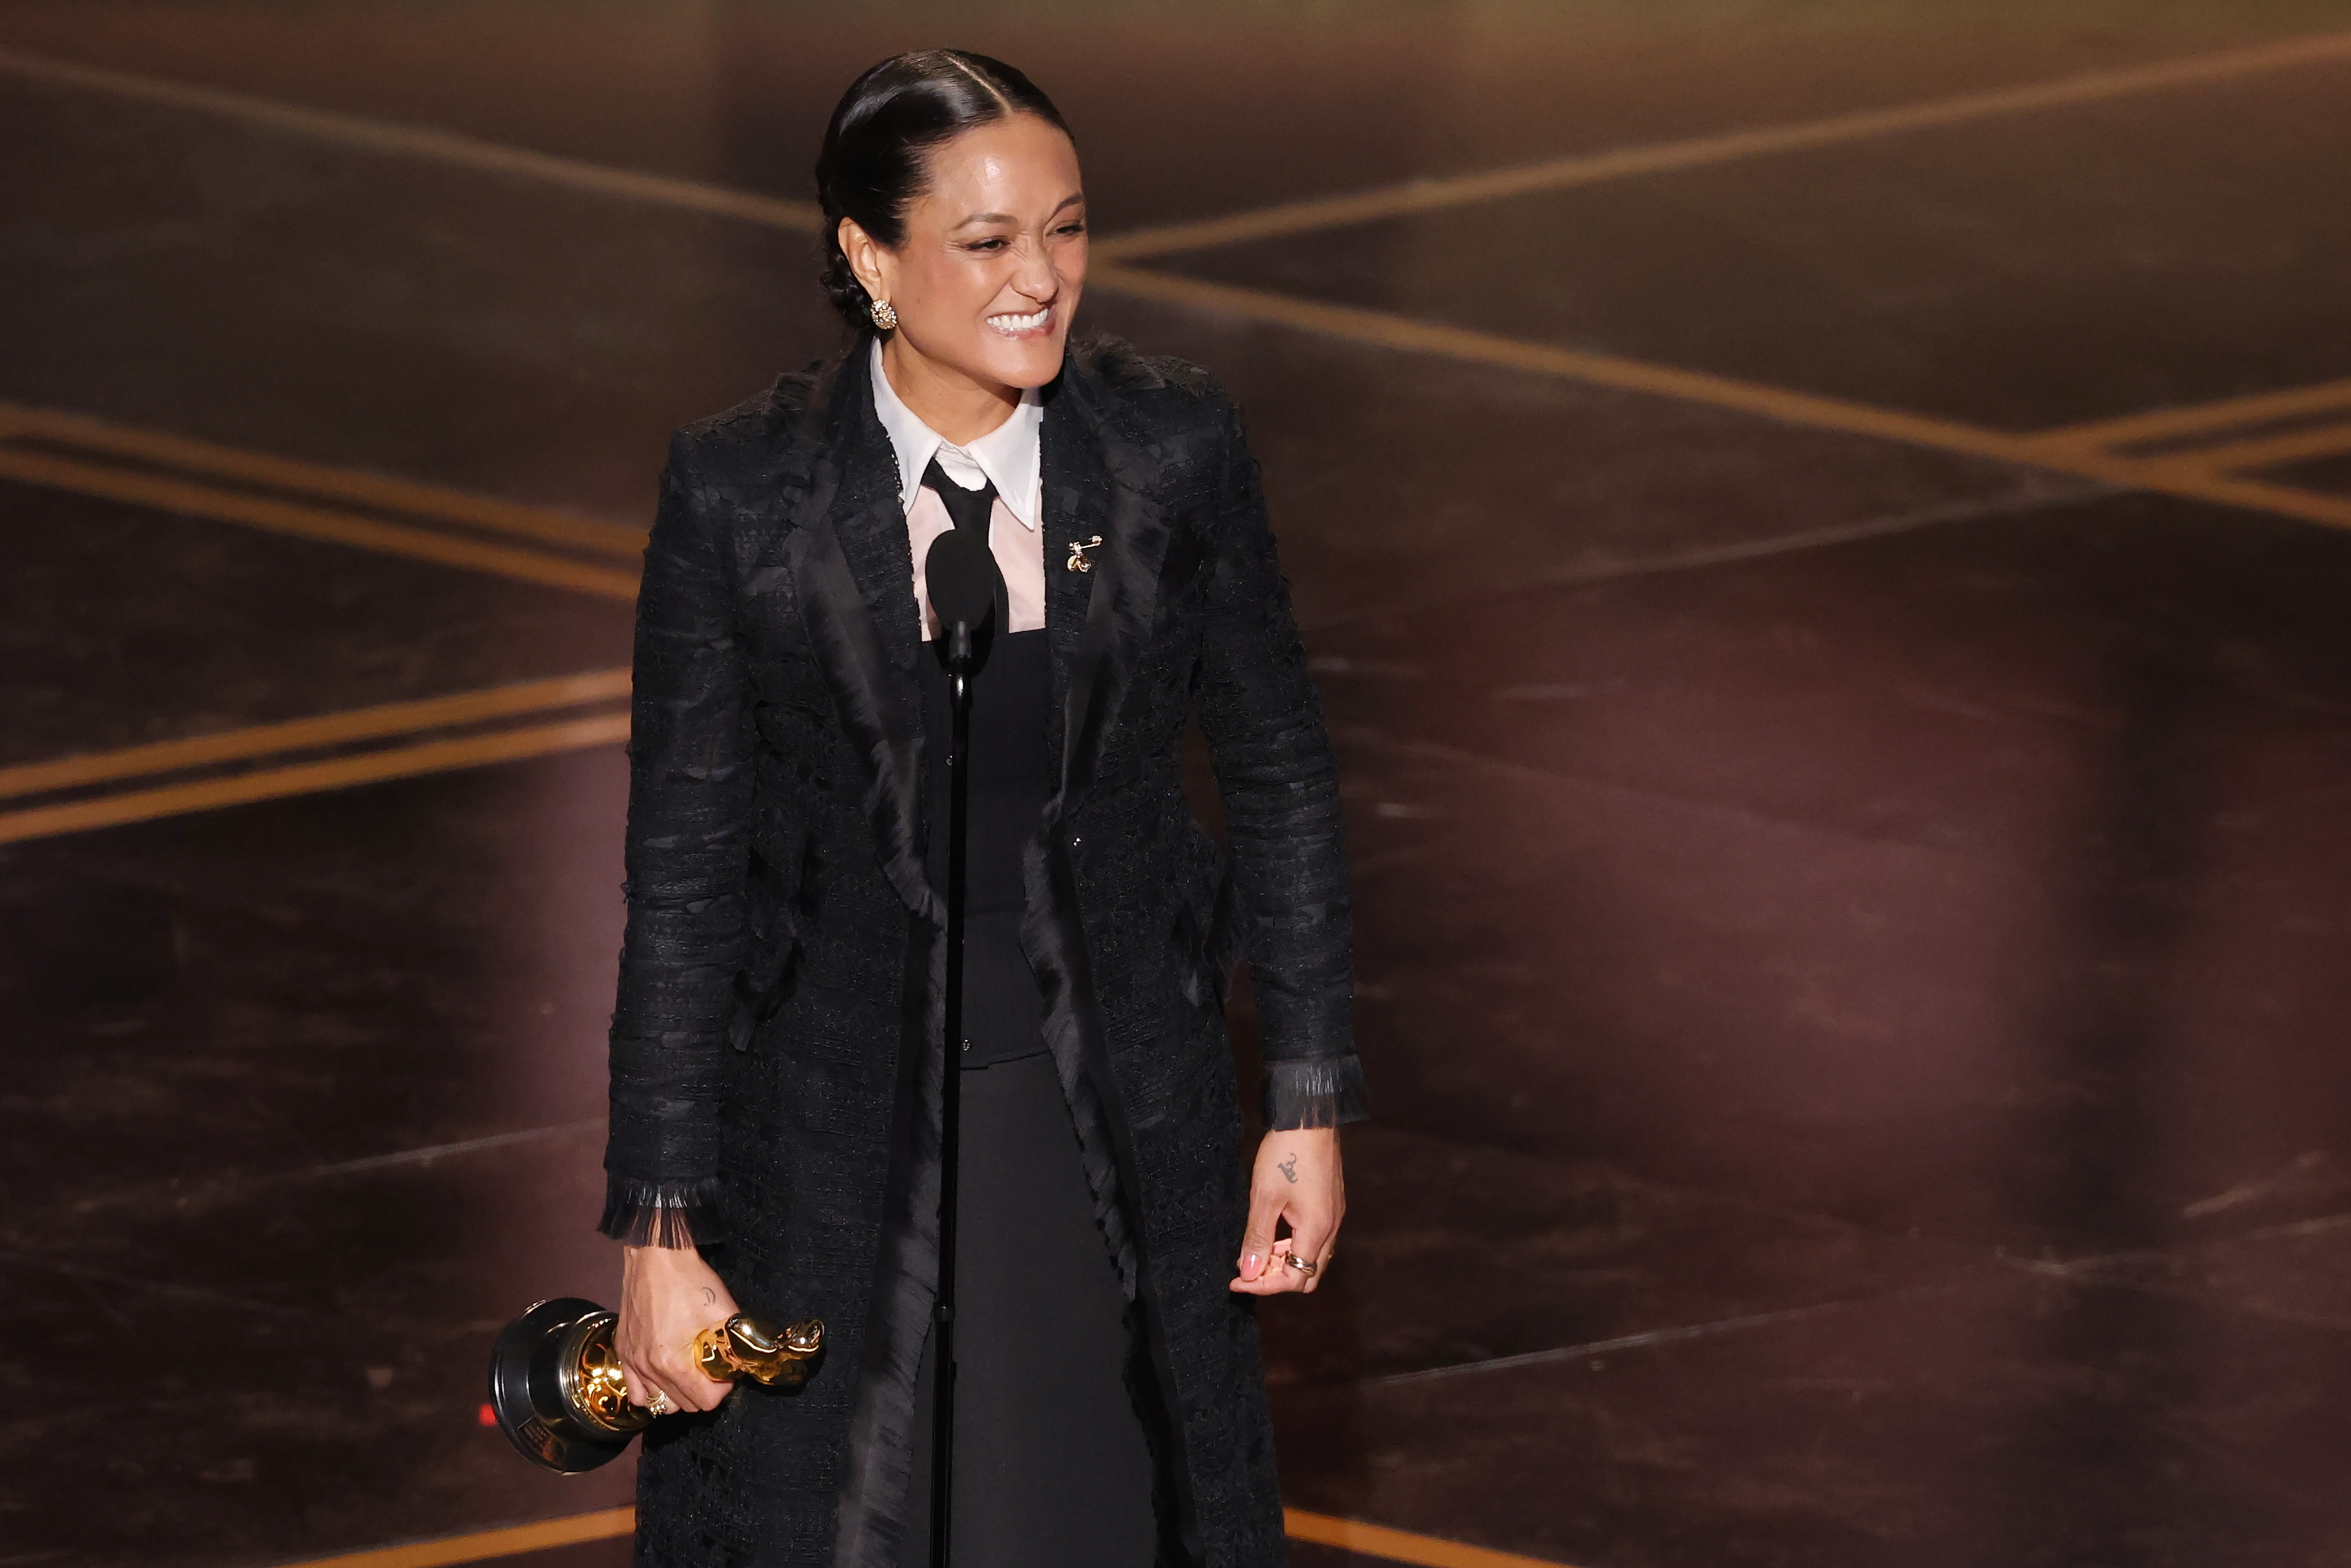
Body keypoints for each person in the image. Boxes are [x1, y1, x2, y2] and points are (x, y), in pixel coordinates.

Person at [598, 48, 1365, 1568]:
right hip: (830, 1142)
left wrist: (1307, 1098)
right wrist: (661, 1225)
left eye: (1067, 230)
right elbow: (682, 877)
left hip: (1105, 1131)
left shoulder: (1170, 451)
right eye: (989, 240)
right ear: (870, 258)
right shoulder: (747, 496)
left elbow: (1279, 771)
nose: (1042, 280)